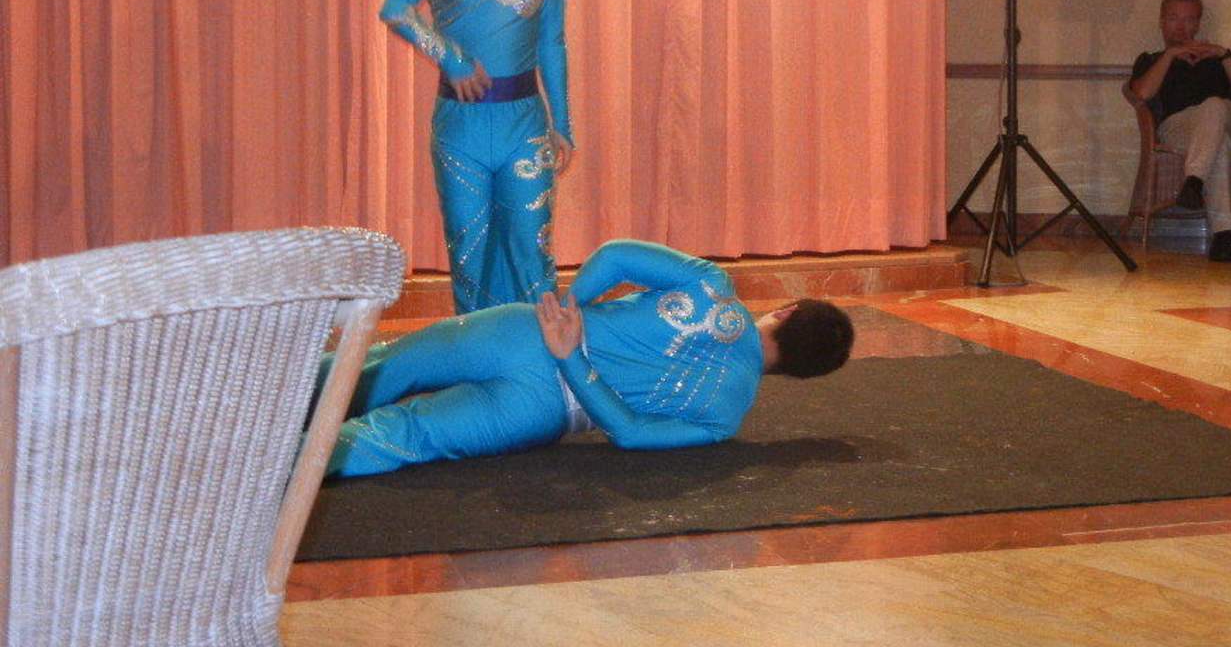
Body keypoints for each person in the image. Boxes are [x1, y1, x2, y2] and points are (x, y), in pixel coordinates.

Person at [323, 239, 855, 478]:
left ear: (786, 311)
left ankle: (274, 401)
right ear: (800, 374)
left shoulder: (711, 286)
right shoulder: (725, 415)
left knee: (387, 366)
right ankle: (275, 465)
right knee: (404, 435)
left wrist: (568, 313)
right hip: (543, 410)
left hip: (524, 334)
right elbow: (630, 433)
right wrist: (573, 360)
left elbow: (615, 255)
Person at [380, 0, 573, 314]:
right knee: (469, 250)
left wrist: (563, 124)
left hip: (525, 126)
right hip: (460, 128)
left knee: (532, 248)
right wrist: (452, 59)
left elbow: (552, 44)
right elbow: (395, 9)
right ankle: (477, 348)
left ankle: (538, 347)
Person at [1129, 0, 1231, 262]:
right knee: (1218, 143)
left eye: (1189, 19)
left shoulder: (1218, 59)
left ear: (1198, 24)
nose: (1181, 26)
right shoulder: (1150, 59)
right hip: (1179, 129)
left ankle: (1194, 179)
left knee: (1214, 106)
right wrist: (1170, 55)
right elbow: (1143, 93)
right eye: (1173, 18)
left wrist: (1223, 54)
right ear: (1162, 21)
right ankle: (1223, 235)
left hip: (1227, 118)